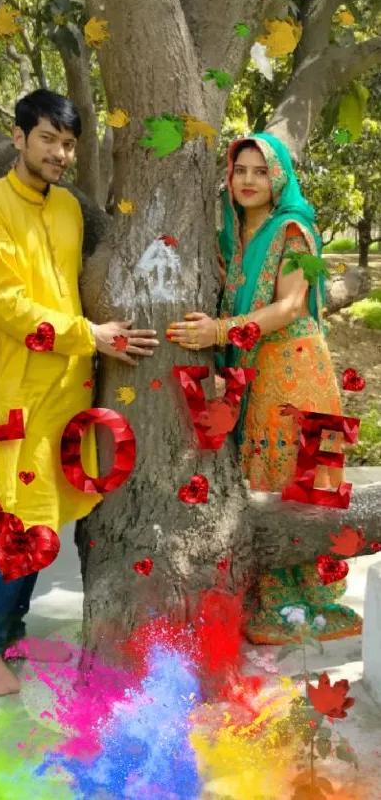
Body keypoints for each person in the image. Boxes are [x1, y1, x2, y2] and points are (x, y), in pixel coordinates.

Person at [0, 89, 159, 695]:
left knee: (49, 516)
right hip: (23, 390)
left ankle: (10, 633)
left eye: (68, 142)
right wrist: (92, 335)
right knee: (23, 518)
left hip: (71, 387)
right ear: (19, 135)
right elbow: (9, 307)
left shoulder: (69, 210)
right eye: (49, 138)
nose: (59, 152)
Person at [166, 133, 362, 645]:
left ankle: (309, 601)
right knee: (262, 478)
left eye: (259, 170)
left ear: (277, 178)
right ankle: (269, 596)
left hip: (294, 369)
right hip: (254, 373)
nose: (248, 180)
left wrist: (217, 330)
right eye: (240, 170)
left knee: (295, 477)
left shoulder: (292, 231)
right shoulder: (230, 236)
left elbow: (292, 306)